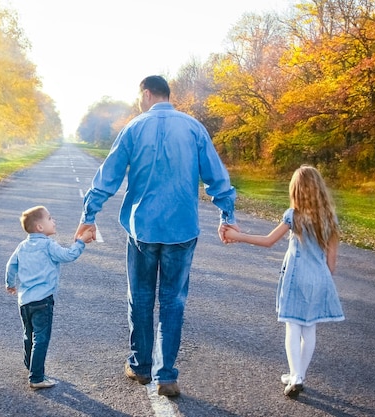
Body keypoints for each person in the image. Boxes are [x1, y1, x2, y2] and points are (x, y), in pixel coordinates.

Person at [75, 75, 238, 397]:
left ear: (147, 94)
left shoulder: (134, 128)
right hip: (181, 229)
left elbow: (108, 176)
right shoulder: (194, 128)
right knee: (173, 302)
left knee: (141, 298)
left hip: (143, 230)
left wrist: (89, 216)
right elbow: (217, 178)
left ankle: (140, 367)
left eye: (140, 97)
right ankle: (166, 376)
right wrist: (227, 216)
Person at [223, 165, 344, 398]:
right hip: (319, 278)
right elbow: (332, 261)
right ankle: (298, 375)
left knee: (292, 325)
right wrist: (324, 281)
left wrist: (236, 236)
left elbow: (268, 241)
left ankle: (296, 376)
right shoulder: (330, 218)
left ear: (296, 191)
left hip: (296, 277)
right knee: (309, 328)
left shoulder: (294, 216)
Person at [6, 205, 94, 389]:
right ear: (40, 227)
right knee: (41, 338)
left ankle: (30, 365)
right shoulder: (48, 245)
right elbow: (68, 255)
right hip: (43, 300)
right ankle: (37, 377)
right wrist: (81, 242)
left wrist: (10, 284)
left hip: (24, 301)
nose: (54, 221)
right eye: (50, 218)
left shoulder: (22, 247)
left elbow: (11, 265)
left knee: (28, 334)